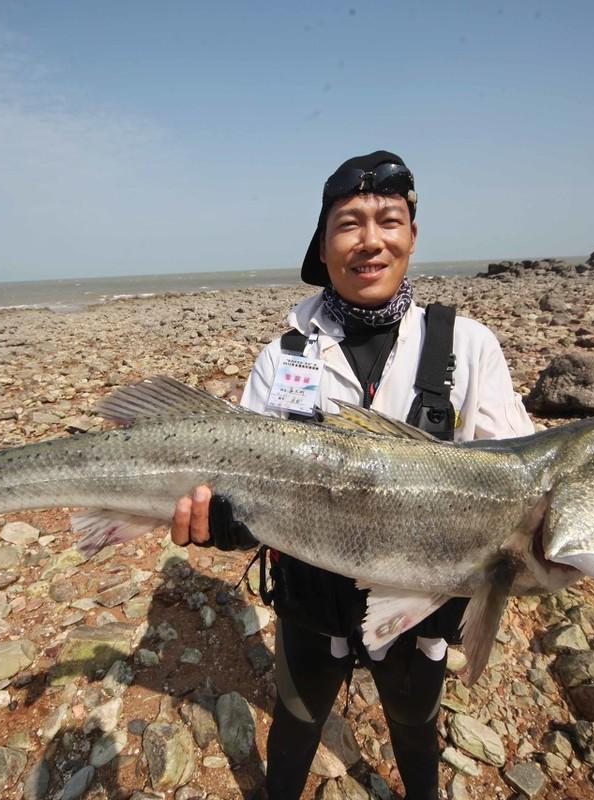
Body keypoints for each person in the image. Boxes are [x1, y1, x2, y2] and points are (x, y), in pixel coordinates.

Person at [171, 151, 534, 799]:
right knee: (298, 719)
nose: (371, 240)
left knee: (415, 724)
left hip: (423, 607)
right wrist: (223, 521)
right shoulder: (282, 357)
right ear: (324, 244)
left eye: (389, 220)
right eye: (349, 224)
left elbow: (521, 486)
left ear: (412, 237)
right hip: (310, 601)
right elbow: (239, 481)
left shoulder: (469, 346)